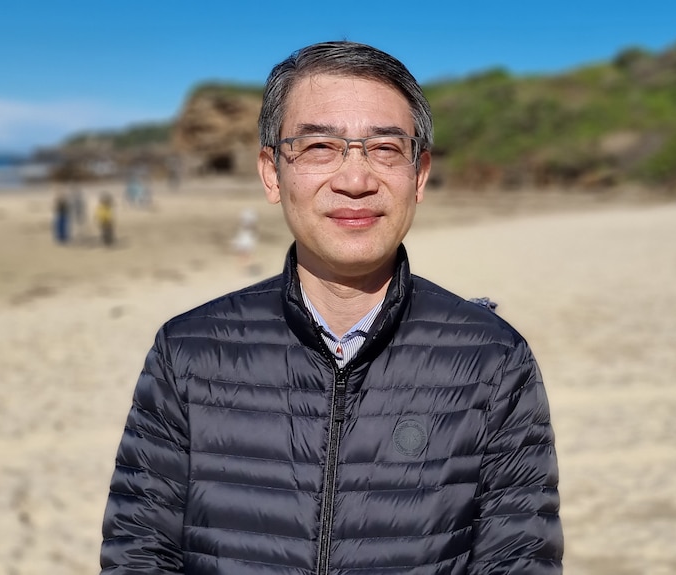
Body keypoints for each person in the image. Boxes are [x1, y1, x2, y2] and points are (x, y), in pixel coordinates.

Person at [100, 41, 563, 574]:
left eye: (385, 149)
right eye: (320, 146)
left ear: (420, 174)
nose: (355, 180)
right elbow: (137, 553)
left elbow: (520, 560)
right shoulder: (188, 352)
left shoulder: (493, 359)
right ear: (272, 173)